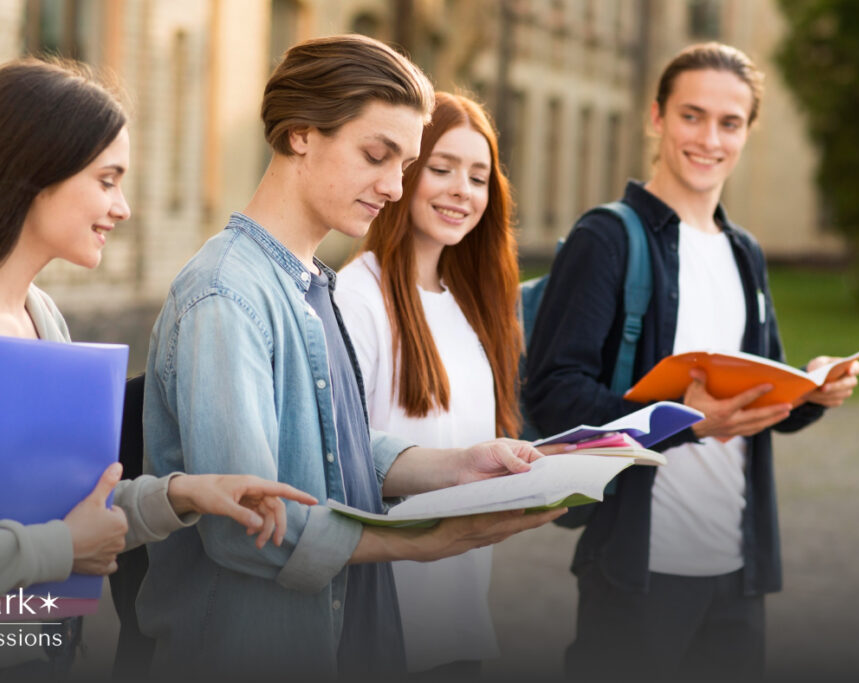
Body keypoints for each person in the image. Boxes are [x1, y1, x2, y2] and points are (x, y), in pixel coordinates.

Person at [138, 35, 564, 679]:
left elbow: (335, 448)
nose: (396, 187)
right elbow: (245, 522)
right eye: (377, 155)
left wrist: (458, 465)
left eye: (405, 163)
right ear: (301, 133)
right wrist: (421, 542)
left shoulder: (309, 280)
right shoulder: (227, 294)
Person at [0, 58, 316, 681]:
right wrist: (59, 549)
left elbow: (69, 504)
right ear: (34, 174)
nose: (121, 208)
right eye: (107, 179)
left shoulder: (45, 320)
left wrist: (183, 495)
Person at [523, 42, 859, 682]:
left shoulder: (744, 252)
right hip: (636, 573)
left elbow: (764, 404)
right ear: (657, 117)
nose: (709, 139)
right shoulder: (606, 238)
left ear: (747, 132)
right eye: (691, 115)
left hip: (738, 573)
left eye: (729, 123)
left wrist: (814, 390)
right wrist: (681, 420)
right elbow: (554, 396)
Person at [334, 91, 520, 676]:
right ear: (403, 175)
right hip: (386, 628)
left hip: (461, 619)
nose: (462, 190)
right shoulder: (355, 297)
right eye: (441, 169)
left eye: (478, 176)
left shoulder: (472, 304)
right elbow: (338, 458)